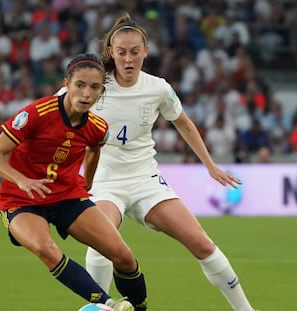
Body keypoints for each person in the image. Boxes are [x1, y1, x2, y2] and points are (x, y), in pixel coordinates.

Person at [83, 14, 260, 311]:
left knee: (203, 244)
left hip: (146, 181)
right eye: (122, 52)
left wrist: (211, 166)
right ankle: (97, 307)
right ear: (111, 52)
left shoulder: (158, 88)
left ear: (146, 52)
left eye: (135, 52)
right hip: (104, 183)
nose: (128, 59)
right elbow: (55, 114)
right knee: (101, 242)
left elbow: (185, 124)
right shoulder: (93, 85)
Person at [0, 53, 148, 311]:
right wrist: (22, 180)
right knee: (46, 249)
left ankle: (139, 309)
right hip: (21, 200)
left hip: (67, 197)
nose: (86, 93)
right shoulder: (37, 113)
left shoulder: (97, 127)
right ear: (67, 84)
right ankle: (109, 305)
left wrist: (87, 183)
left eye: (94, 87)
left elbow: (95, 148)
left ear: (100, 91)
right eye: (80, 85)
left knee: (124, 258)